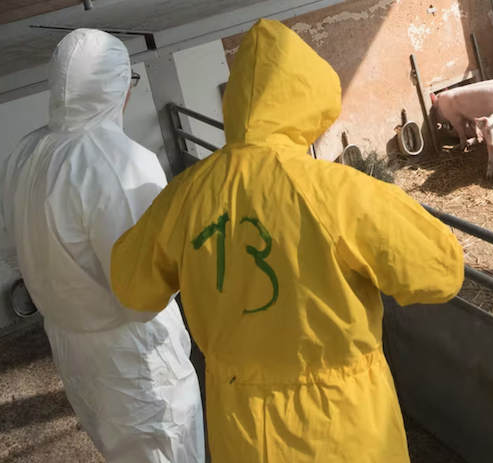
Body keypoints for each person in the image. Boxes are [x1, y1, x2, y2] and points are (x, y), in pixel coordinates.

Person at [111, 19, 465, 463]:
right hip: (344, 427)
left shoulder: (185, 195)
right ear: (308, 99)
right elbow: (441, 274)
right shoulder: (340, 192)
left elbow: (131, 287)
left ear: (236, 102)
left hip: (240, 426)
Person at [0, 29, 204, 462]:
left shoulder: (25, 152)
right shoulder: (121, 161)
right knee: (168, 448)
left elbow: (12, 252)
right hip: (132, 354)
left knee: (116, 449)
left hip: (70, 344)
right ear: (114, 86)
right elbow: (145, 285)